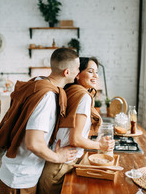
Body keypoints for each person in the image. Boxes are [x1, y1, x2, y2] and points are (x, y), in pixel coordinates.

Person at [0, 48, 80, 194]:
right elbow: (33, 143)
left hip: (13, 172)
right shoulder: (47, 97)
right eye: (78, 68)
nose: (79, 72)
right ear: (66, 72)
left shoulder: (37, 82)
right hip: (20, 178)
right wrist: (57, 157)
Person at [38, 57, 115, 194]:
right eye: (90, 71)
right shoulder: (83, 97)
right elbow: (76, 139)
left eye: (96, 72)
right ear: (78, 74)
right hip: (60, 166)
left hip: (56, 163)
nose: (95, 76)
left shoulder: (70, 91)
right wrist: (100, 145)